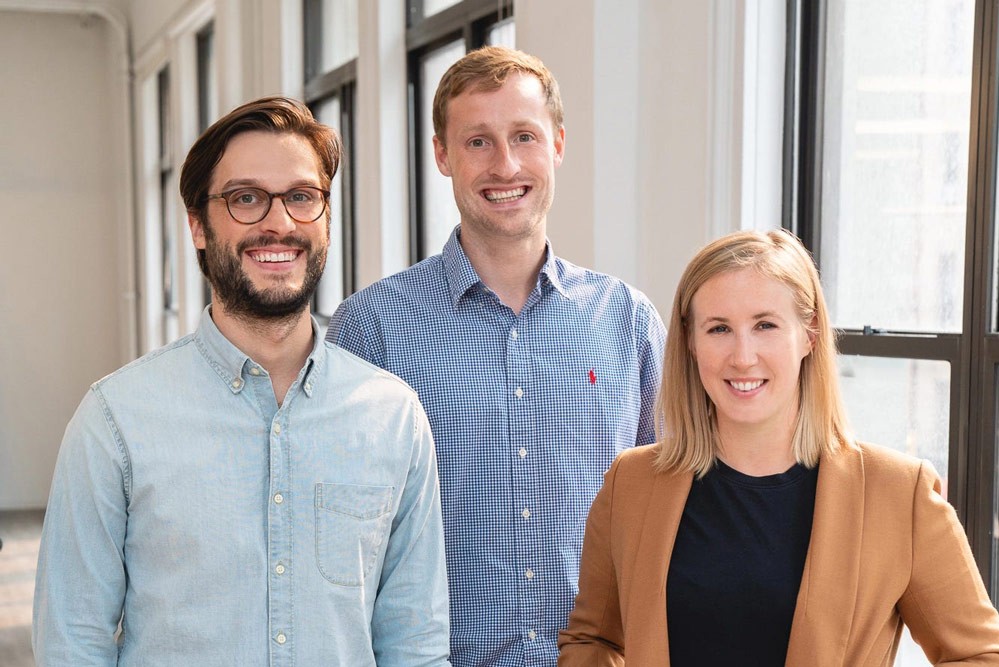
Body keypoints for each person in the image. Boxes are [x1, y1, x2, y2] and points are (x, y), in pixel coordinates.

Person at [33, 96, 450, 666]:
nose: (279, 222)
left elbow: (414, 644)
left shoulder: (392, 415)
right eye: (246, 198)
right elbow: (72, 644)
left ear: (326, 219)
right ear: (199, 226)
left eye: (303, 197)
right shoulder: (116, 420)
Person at [327, 46, 665, 665]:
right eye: (477, 141)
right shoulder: (372, 327)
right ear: (442, 155)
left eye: (524, 136)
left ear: (557, 144)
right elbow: (335, 533)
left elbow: (669, 508)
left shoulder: (628, 321)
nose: (505, 164)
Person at [558, 229, 999, 665]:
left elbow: (980, 654)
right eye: (718, 329)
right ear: (691, 343)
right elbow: (592, 641)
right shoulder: (630, 484)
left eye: (765, 325)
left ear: (808, 335)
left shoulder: (900, 494)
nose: (743, 356)